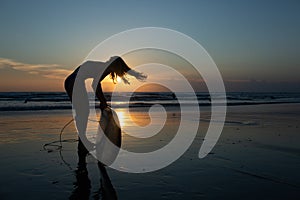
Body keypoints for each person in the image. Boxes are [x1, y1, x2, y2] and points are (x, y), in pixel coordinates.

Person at [64, 56, 147, 158]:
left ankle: (82, 144)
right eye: (120, 68)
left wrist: (102, 101)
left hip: (71, 81)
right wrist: (103, 101)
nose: (120, 71)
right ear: (115, 65)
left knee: (82, 112)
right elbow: (95, 84)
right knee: (83, 112)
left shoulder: (104, 66)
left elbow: (95, 84)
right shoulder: (105, 68)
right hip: (74, 82)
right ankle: (83, 142)